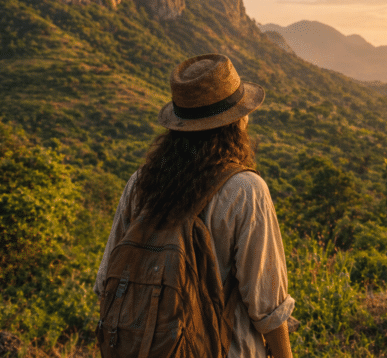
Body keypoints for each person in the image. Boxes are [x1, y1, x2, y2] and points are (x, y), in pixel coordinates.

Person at [94, 53, 295, 358]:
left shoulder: (140, 184)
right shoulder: (246, 190)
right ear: (237, 121)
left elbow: (107, 280)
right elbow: (267, 305)